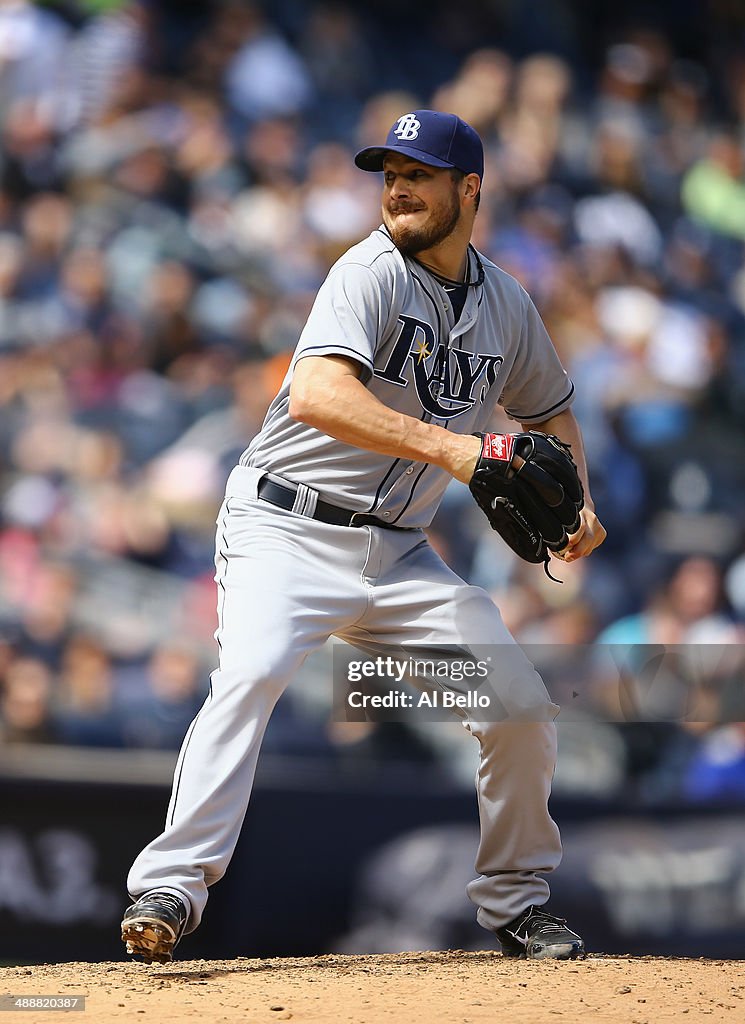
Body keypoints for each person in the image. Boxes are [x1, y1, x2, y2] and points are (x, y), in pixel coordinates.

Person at [121, 109, 606, 964]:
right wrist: (458, 449)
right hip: (285, 524)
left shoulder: (505, 302)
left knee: (521, 708)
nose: (397, 188)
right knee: (252, 673)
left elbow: (549, 407)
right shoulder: (367, 271)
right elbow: (314, 396)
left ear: (469, 190)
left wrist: (582, 505)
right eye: (388, 172)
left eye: (418, 174)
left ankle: (517, 903)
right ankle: (173, 883)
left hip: (399, 552)